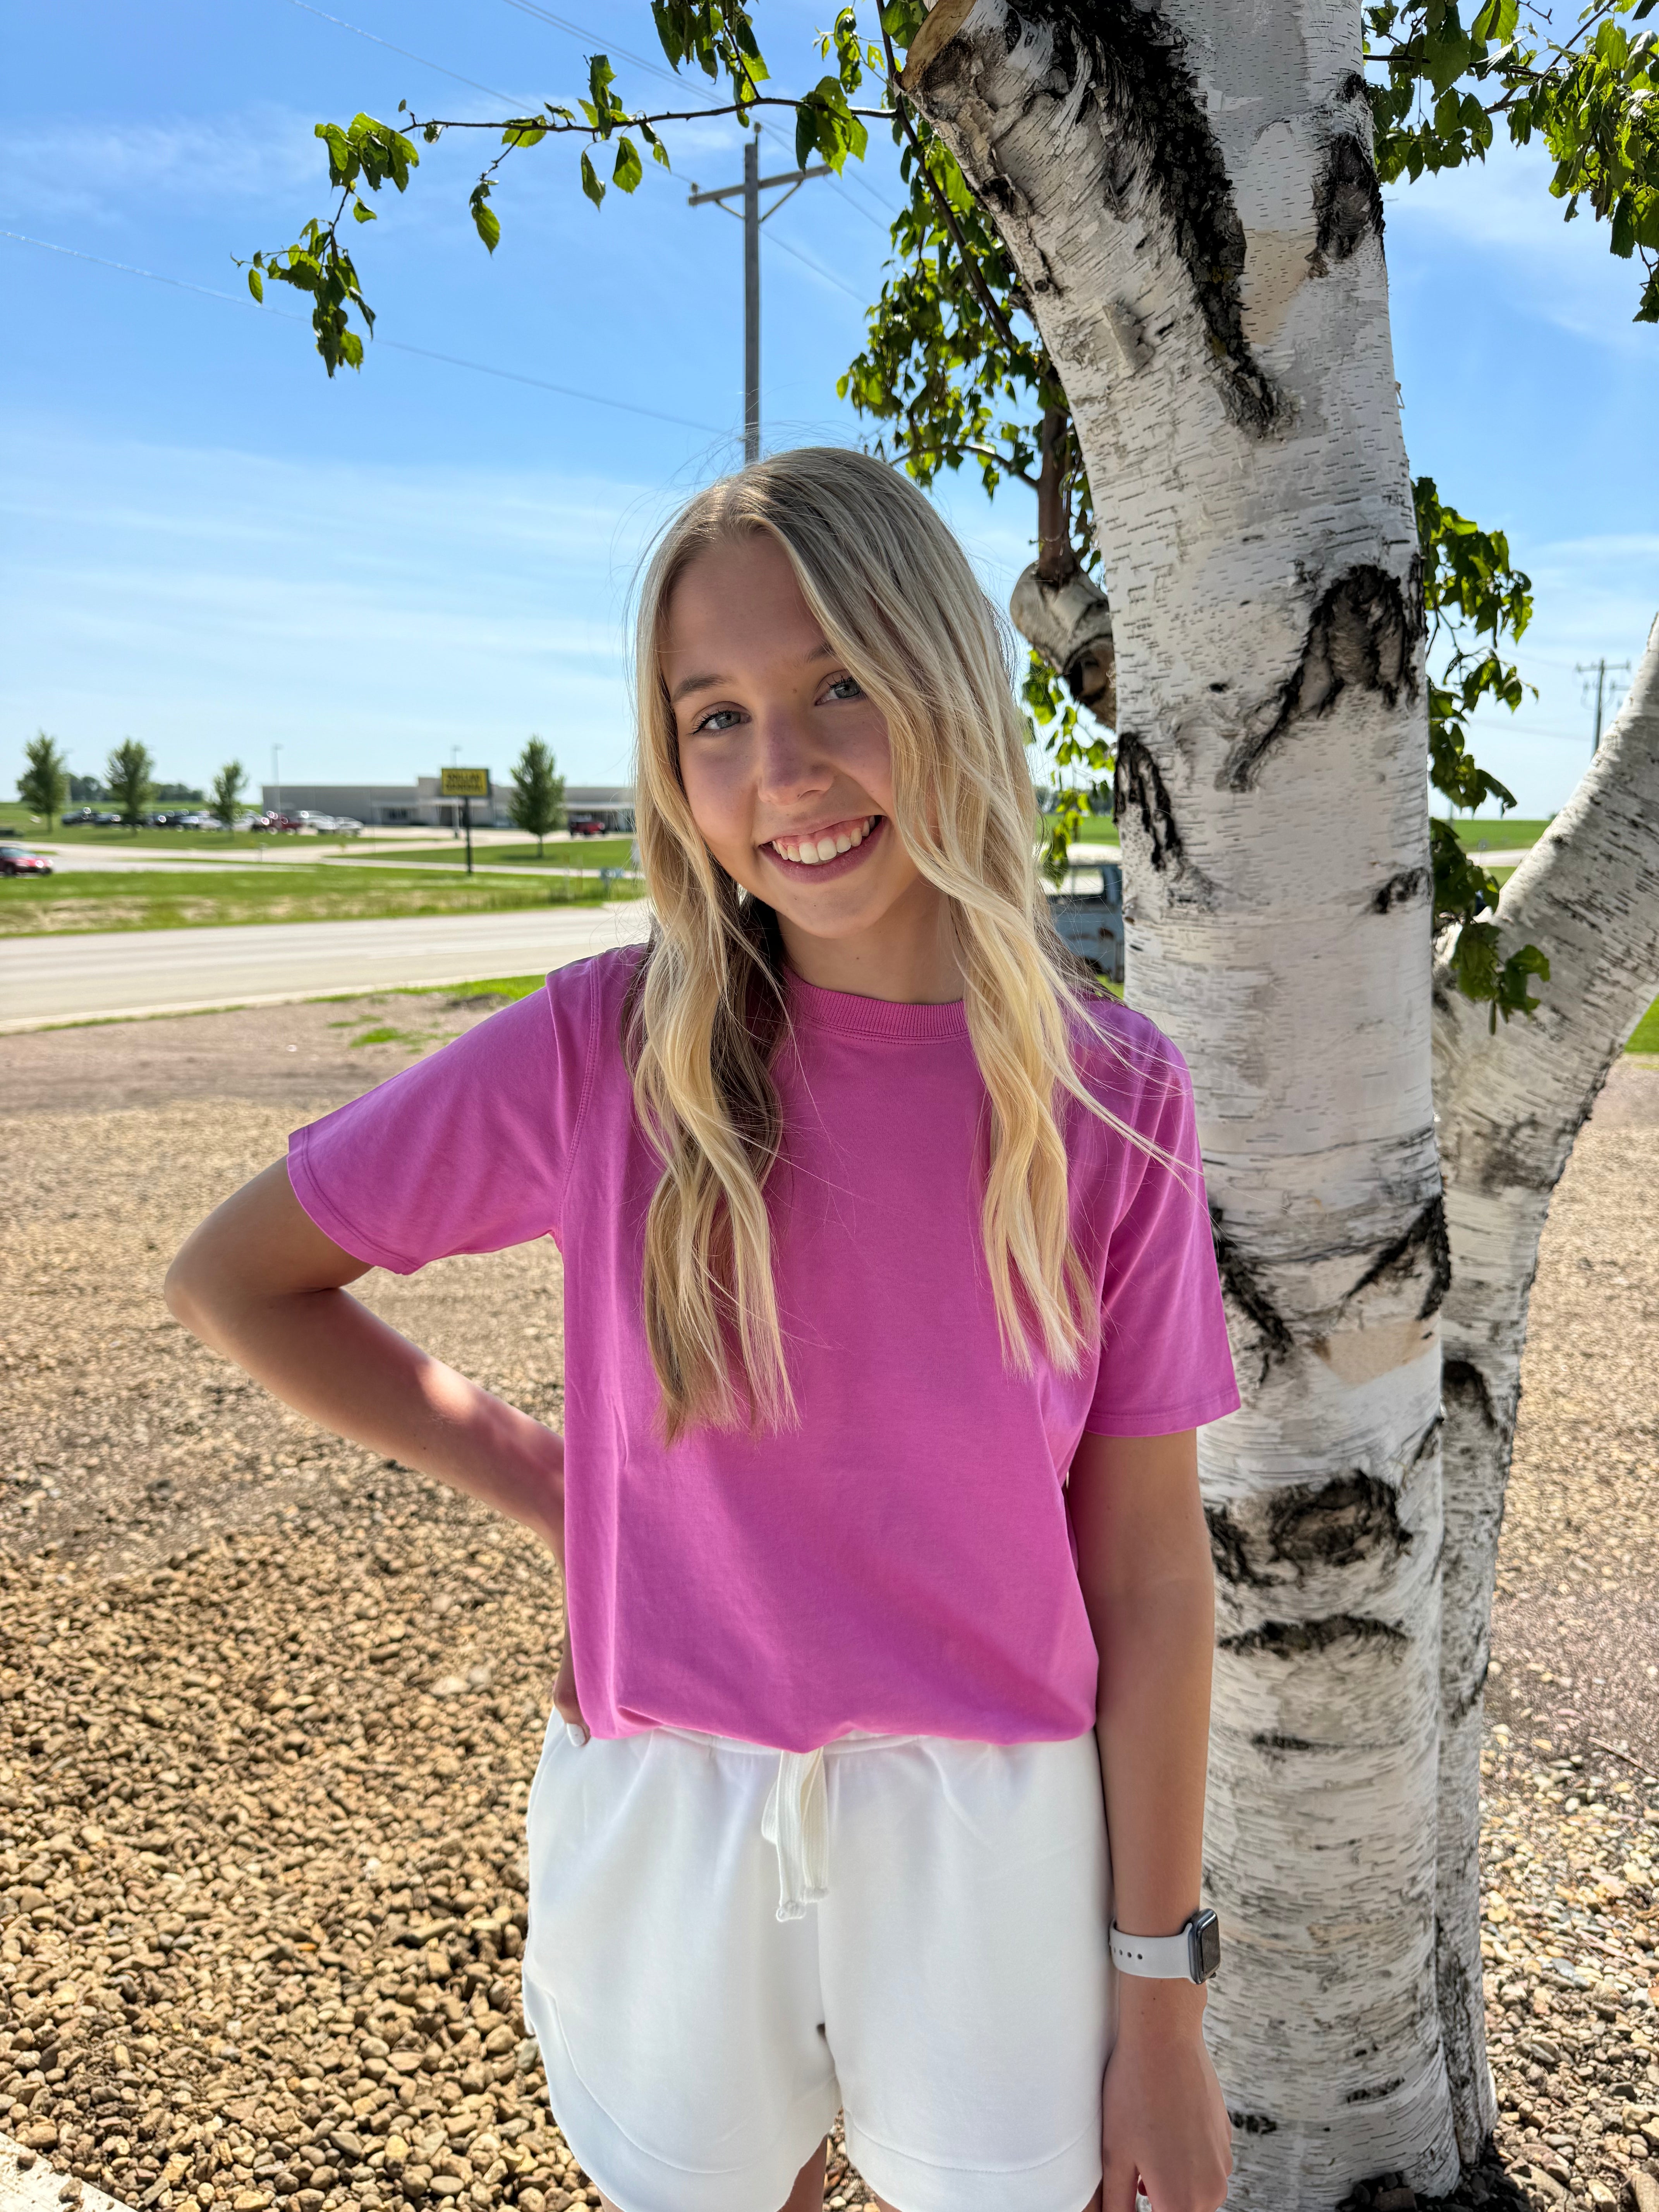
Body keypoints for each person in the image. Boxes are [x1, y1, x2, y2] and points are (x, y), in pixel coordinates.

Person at [165, 448, 1240, 2212]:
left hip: (998, 1821)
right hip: (668, 1799)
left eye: (840, 685)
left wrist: (1163, 2007)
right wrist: (551, 1484)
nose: (784, 771)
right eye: (715, 717)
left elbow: (1146, 1579)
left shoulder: (1111, 1092)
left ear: (948, 684)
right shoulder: (607, 1048)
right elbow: (238, 1274)